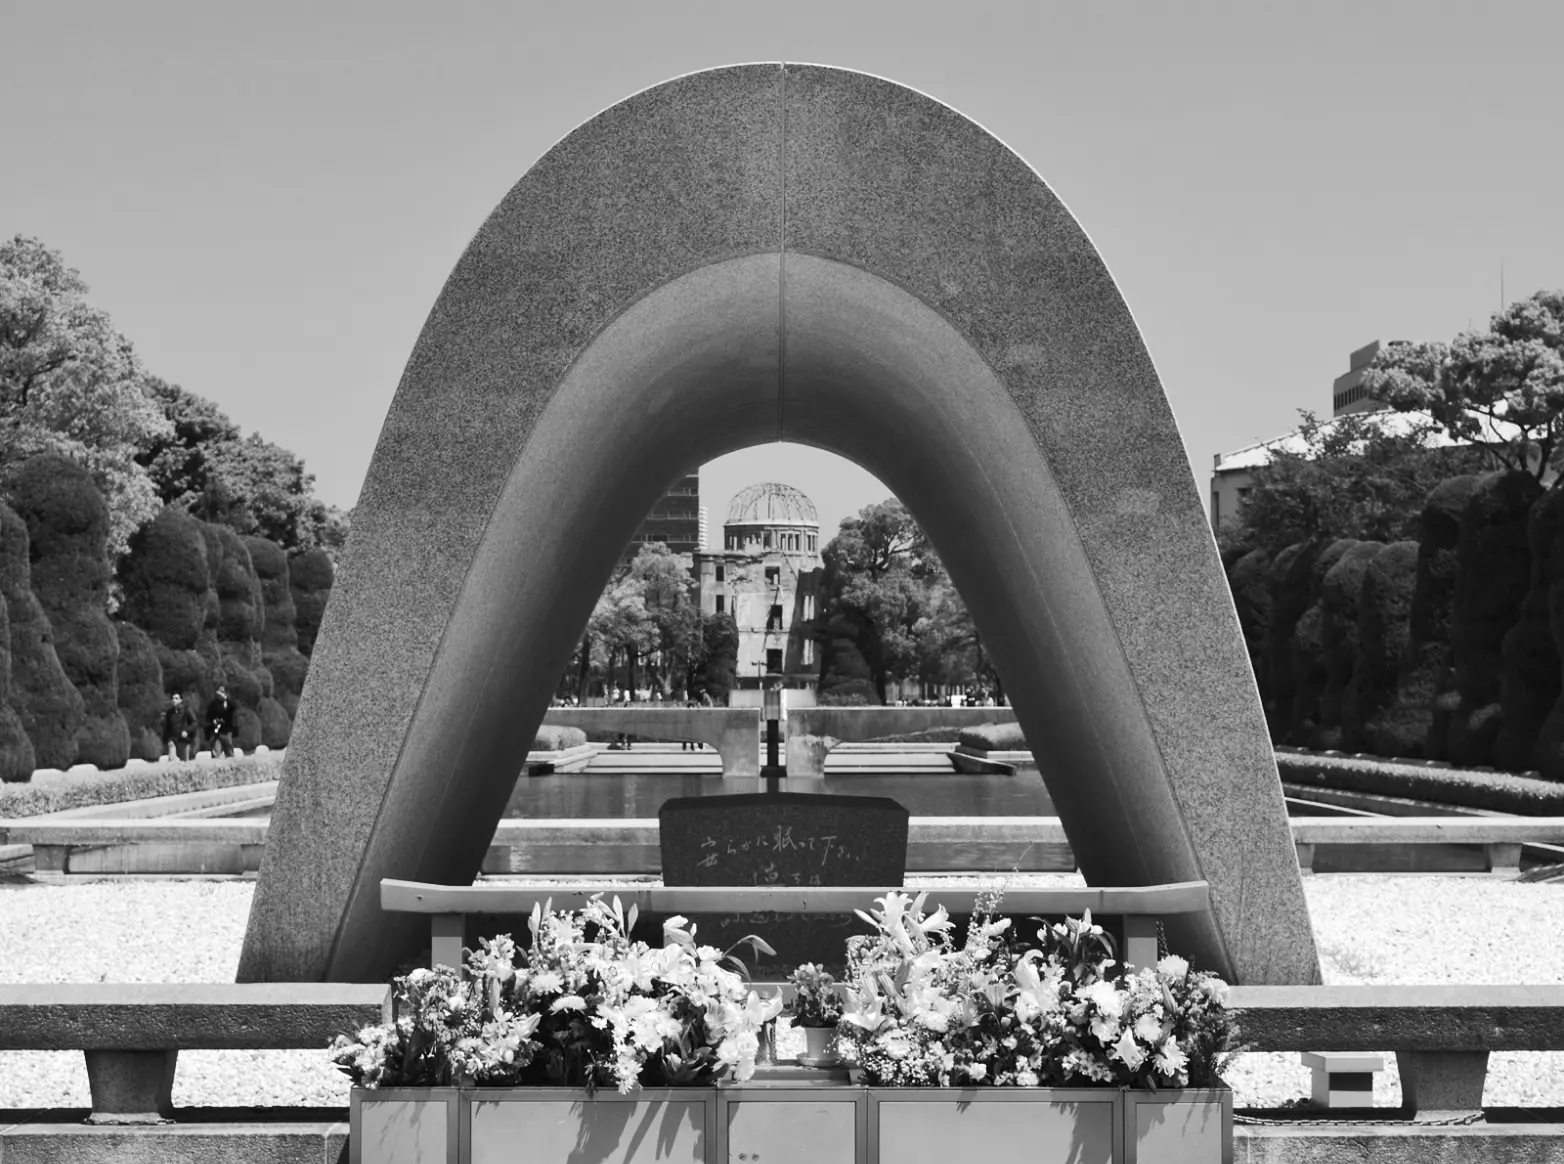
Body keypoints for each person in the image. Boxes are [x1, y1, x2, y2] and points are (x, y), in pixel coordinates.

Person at [161, 692, 198, 761]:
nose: (173, 700)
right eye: (172, 698)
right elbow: (166, 727)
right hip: (173, 739)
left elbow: (194, 723)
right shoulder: (169, 713)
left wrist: (187, 731)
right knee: (172, 760)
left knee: (184, 762)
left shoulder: (187, 710)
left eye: (176, 698)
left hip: (183, 739)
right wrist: (164, 740)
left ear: (181, 700)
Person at [205, 684, 237, 758]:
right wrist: (213, 721)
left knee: (229, 750)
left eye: (222, 692)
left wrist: (226, 698)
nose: (220, 694)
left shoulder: (229, 703)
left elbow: (234, 708)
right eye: (219, 691)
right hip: (216, 731)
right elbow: (208, 716)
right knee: (216, 751)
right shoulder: (213, 704)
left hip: (227, 730)